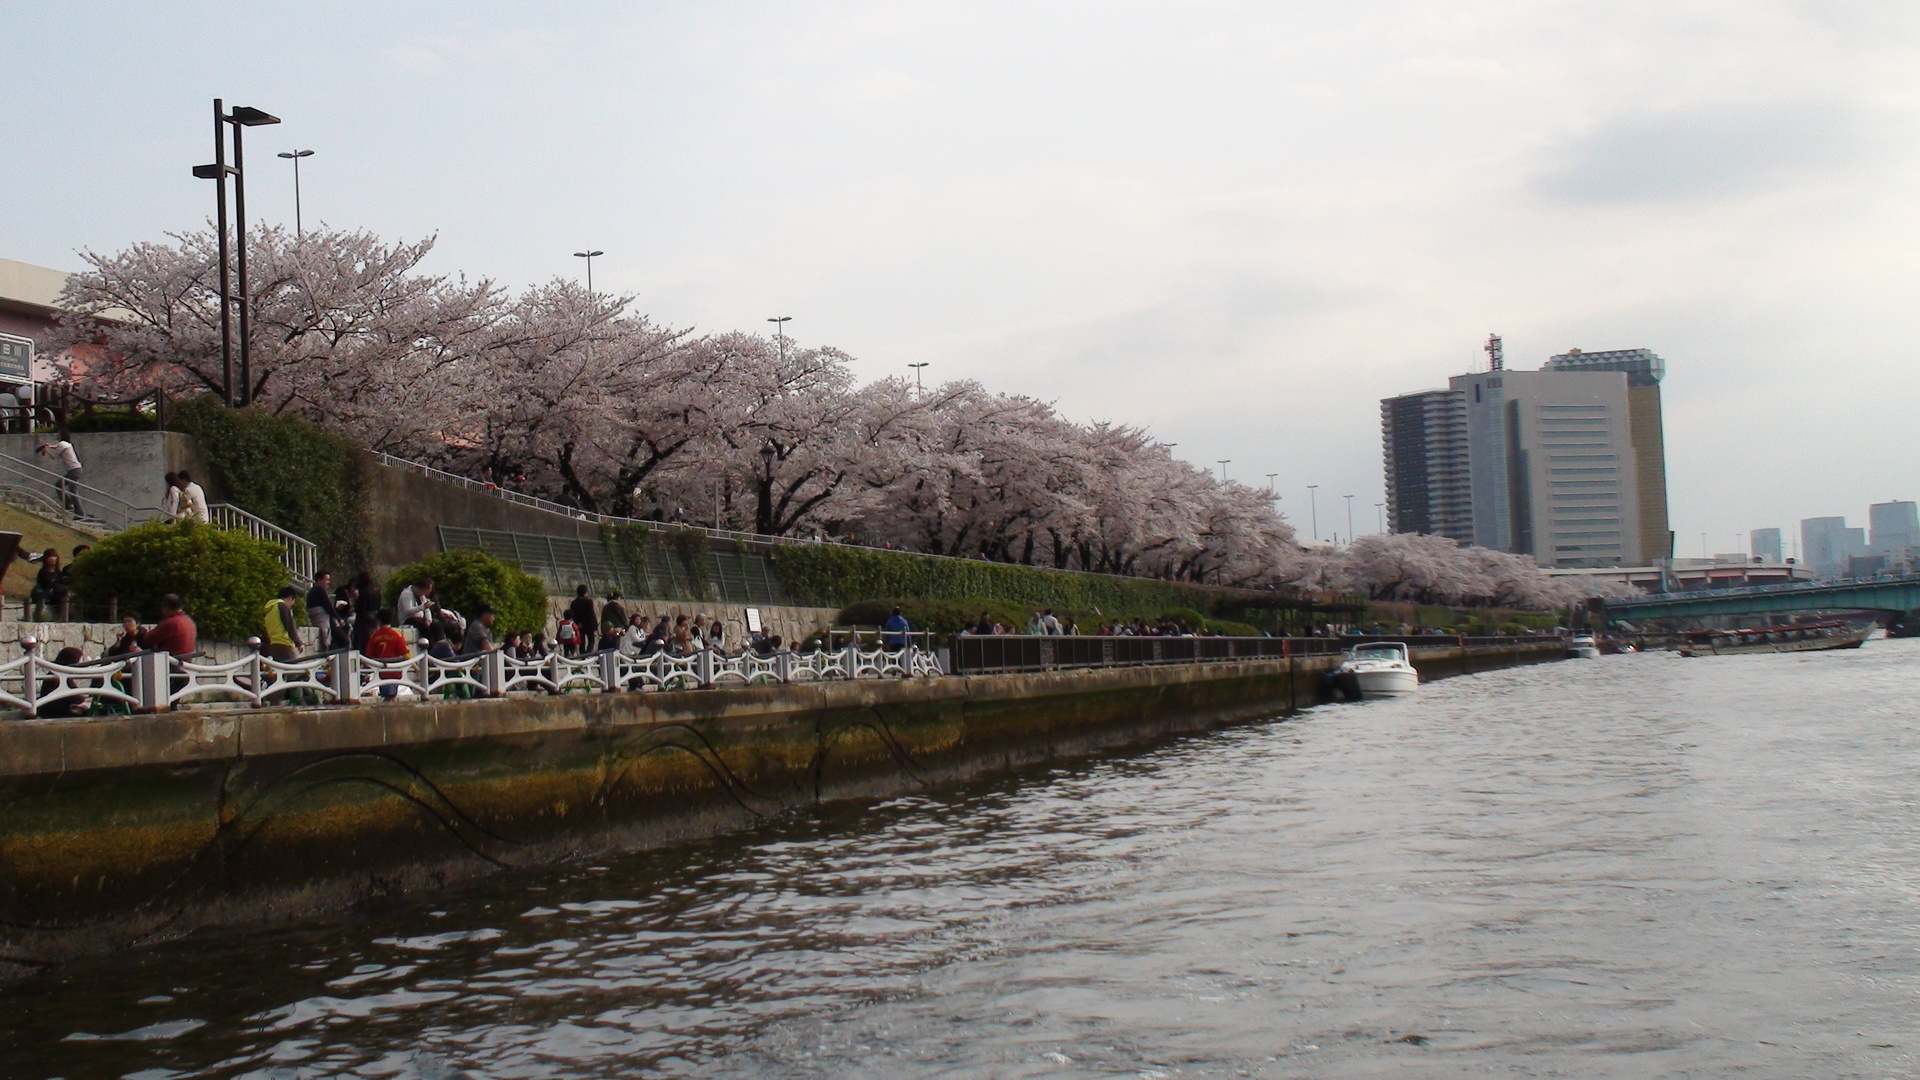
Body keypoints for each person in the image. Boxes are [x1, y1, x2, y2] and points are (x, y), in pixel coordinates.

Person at [363, 608, 411, 701]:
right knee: (392, 696)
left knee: (385, 696)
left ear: (379, 621)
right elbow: (405, 652)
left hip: (381, 671)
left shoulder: (375, 636)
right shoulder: (396, 635)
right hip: (394, 670)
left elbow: (369, 655)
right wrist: (415, 666)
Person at [37, 647, 93, 718]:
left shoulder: (62, 676)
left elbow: (72, 696)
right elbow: (70, 697)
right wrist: (83, 700)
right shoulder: (55, 678)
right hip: (54, 714)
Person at [37, 435, 84, 517]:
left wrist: (46, 451)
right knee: (59, 485)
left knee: (73, 491)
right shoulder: (66, 444)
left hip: (74, 471)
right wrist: (49, 446)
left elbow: (54, 457)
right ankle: (69, 504)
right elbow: (57, 447)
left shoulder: (62, 444)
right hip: (74, 470)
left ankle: (80, 513)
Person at [262, 585, 303, 663]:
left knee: (281, 671)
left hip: (273, 644)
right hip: (284, 644)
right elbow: (290, 626)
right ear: (289, 598)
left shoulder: (270, 610)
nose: (291, 605)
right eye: (292, 602)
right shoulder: (283, 606)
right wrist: (298, 643)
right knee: (294, 671)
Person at [28, 549, 66, 621]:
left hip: (56, 595)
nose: (52, 558)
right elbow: (47, 584)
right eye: (50, 556)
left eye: (54, 556)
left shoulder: (59, 572)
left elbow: (61, 583)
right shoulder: (43, 572)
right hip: (46, 593)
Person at [566, 586, 598, 657]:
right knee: (591, 640)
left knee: (582, 641)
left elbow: (573, 614)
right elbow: (590, 614)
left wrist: (578, 623)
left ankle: (582, 655)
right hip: (589, 624)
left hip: (579, 625)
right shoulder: (588, 601)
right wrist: (595, 625)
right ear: (585, 593)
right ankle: (588, 654)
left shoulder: (574, 602)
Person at [305, 571, 334, 649]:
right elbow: (328, 606)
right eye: (327, 580)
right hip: (321, 617)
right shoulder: (320, 589)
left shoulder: (311, 591)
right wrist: (338, 618)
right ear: (319, 580)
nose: (328, 582)